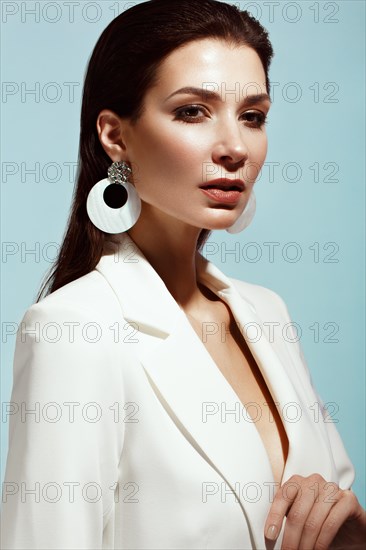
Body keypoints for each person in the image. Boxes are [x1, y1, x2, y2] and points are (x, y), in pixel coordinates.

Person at [2, 0, 365, 548]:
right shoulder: (74, 328)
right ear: (115, 136)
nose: (235, 147)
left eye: (253, 116)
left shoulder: (268, 314)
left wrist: (351, 531)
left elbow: (328, 510)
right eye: (193, 111)